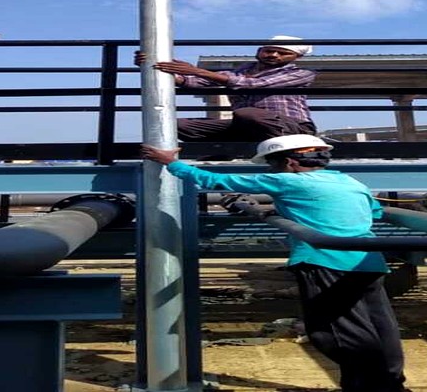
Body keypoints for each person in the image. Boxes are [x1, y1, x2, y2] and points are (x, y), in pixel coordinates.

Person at [141, 134, 407, 392]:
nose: (272, 170)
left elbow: (217, 180)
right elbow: (373, 212)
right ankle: (391, 382)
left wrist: (171, 163)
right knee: (379, 325)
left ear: (289, 162)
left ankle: (373, 386)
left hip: (327, 260)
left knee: (336, 331)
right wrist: (291, 208)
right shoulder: (349, 181)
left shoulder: (288, 181)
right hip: (368, 261)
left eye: (272, 164)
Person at [137, 35, 317, 142]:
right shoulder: (241, 71)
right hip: (246, 126)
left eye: (283, 53)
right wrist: (151, 65)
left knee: (247, 113)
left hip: (291, 126)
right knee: (175, 125)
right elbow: (194, 82)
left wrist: (197, 70)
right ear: (260, 51)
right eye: (268, 51)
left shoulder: (301, 73)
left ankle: (288, 142)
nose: (274, 55)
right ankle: (225, 147)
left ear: (296, 57)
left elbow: (252, 85)